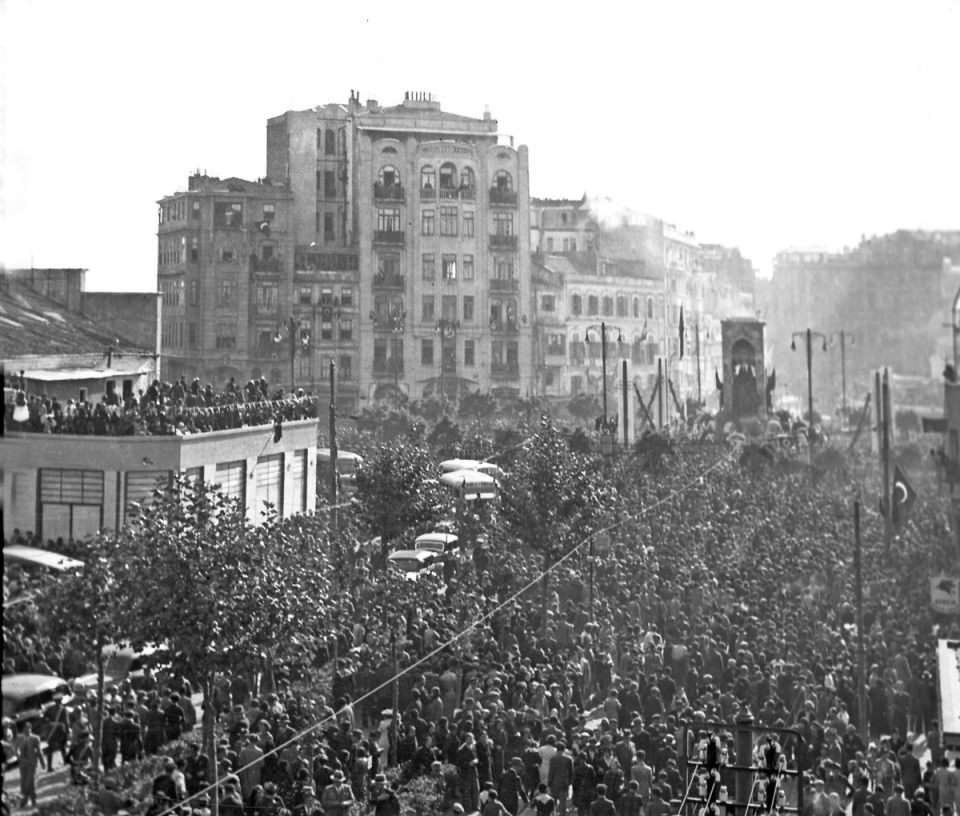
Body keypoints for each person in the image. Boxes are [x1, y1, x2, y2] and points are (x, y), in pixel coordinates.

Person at [17, 721, 47, 808]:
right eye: (25, 728)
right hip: (23, 764)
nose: (27, 730)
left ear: (31, 728)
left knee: (30, 781)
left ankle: (31, 800)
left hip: (31, 763)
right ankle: (25, 801)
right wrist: (18, 753)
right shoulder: (19, 739)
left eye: (29, 728)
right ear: (22, 730)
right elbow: (16, 749)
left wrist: (42, 762)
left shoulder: (35, 738)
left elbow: (39, 751)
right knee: (23, 782)